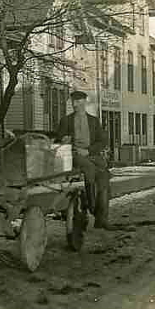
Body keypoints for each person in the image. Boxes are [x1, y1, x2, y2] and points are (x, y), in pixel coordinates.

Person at [55, 90, 112, 229]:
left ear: (84, 103)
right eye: (74, 102)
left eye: (79, 102)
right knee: (89, 169)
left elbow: (103, 141)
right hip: (74, 154)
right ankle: (91, 205)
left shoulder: (93, 121)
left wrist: (89, 150)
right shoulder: (66, 121)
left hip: (91, 154)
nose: (76, 105)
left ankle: (101, 218)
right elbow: (58, 141)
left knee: (104, 178)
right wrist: (64, 140)